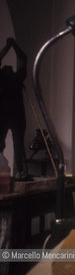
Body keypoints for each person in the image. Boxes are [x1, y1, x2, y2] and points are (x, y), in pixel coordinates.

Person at [0, 37, 28, 177]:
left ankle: (21, 172)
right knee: (13, 145)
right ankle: (17, 171)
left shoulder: (16, 79)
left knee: (18, 145)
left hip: (13, 117)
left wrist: (10, 46)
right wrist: (12, 46)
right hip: (7, 116)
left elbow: (23, 58)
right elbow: (23, 59)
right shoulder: (15, 79)